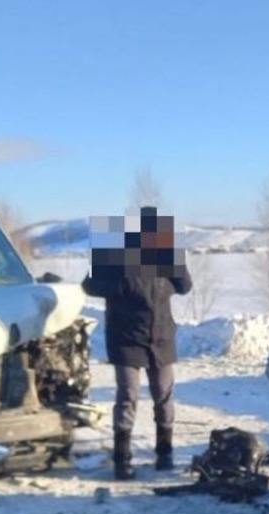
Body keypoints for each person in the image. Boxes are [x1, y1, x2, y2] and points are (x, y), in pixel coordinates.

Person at [81, 205, 193, 480]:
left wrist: (174, 261)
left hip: (161, 337)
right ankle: (122, 459)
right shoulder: (114, 253)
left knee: (163, 395)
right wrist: (121, 286)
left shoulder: (164, 256)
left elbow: (185, 286)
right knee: (128, 396)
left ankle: (165, 453)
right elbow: (89, 285)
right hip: (126, 338)